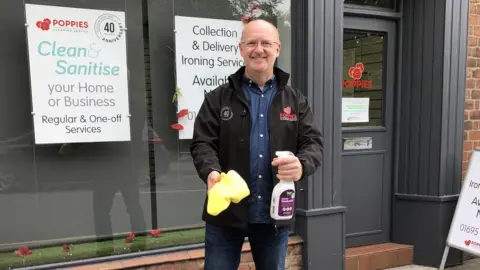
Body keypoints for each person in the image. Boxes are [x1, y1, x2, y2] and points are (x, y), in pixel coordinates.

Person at [190, 18, 323, 270]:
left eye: (265, 43)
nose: (258, 49)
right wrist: (210, 170)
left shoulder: (295, 100)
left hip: (274, 213)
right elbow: (202, 143)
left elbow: (313, 142)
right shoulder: (218, 98)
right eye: (251, 42)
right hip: (226, 213)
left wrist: (302, 164)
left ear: (277, 48)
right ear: (241, 48)